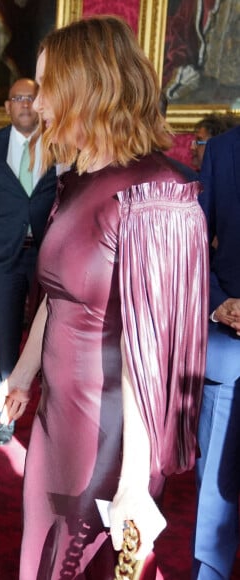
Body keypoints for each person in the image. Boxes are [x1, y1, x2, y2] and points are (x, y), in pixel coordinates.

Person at [0, 15, 209, 578]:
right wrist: (23, 374)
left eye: (46, 87)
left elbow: (153, 355)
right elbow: (59, 296)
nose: (35, 104)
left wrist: (136, 481)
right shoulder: (76, 179)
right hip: (56, 422)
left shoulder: (155, 193)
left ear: (86, 88)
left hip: (112, 435)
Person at [0, 77, 57, 445]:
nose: (24, 103)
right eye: (17, 97)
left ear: (40, 104)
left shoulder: (59, 143)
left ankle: (51, 417)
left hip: (47, 257)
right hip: (2, 256)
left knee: (51, 338)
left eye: (31, 98)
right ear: (7, 106)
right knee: (6, 339)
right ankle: (6, 415)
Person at [192, 124, 240, 579]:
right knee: (215, 494)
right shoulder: (223, 150)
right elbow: (194, 245)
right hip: (229, 344)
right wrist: (216, 301)